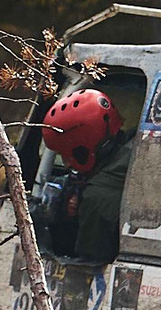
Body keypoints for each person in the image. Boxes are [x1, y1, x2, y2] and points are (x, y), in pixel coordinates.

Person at [38, 86, 135, 262]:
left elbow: (87, 263)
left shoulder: (96, 197)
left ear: (85, 146)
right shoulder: (136, 141)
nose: (67, 164)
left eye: (67, 155)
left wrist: (73, 218)